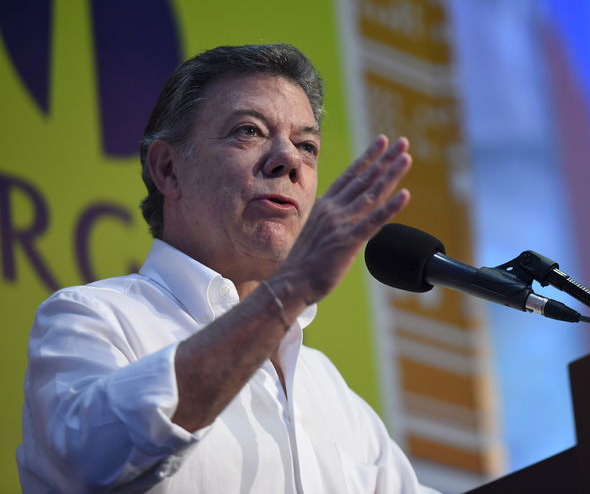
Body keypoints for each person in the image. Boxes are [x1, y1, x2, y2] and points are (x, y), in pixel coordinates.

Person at [17, 44, 436, 493]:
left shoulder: (331, 391)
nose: (289, 160)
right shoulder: (93, 319)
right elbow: (86, 458)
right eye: (249, 131)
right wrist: (288, 293)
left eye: (307, 145)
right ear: (168, 169)